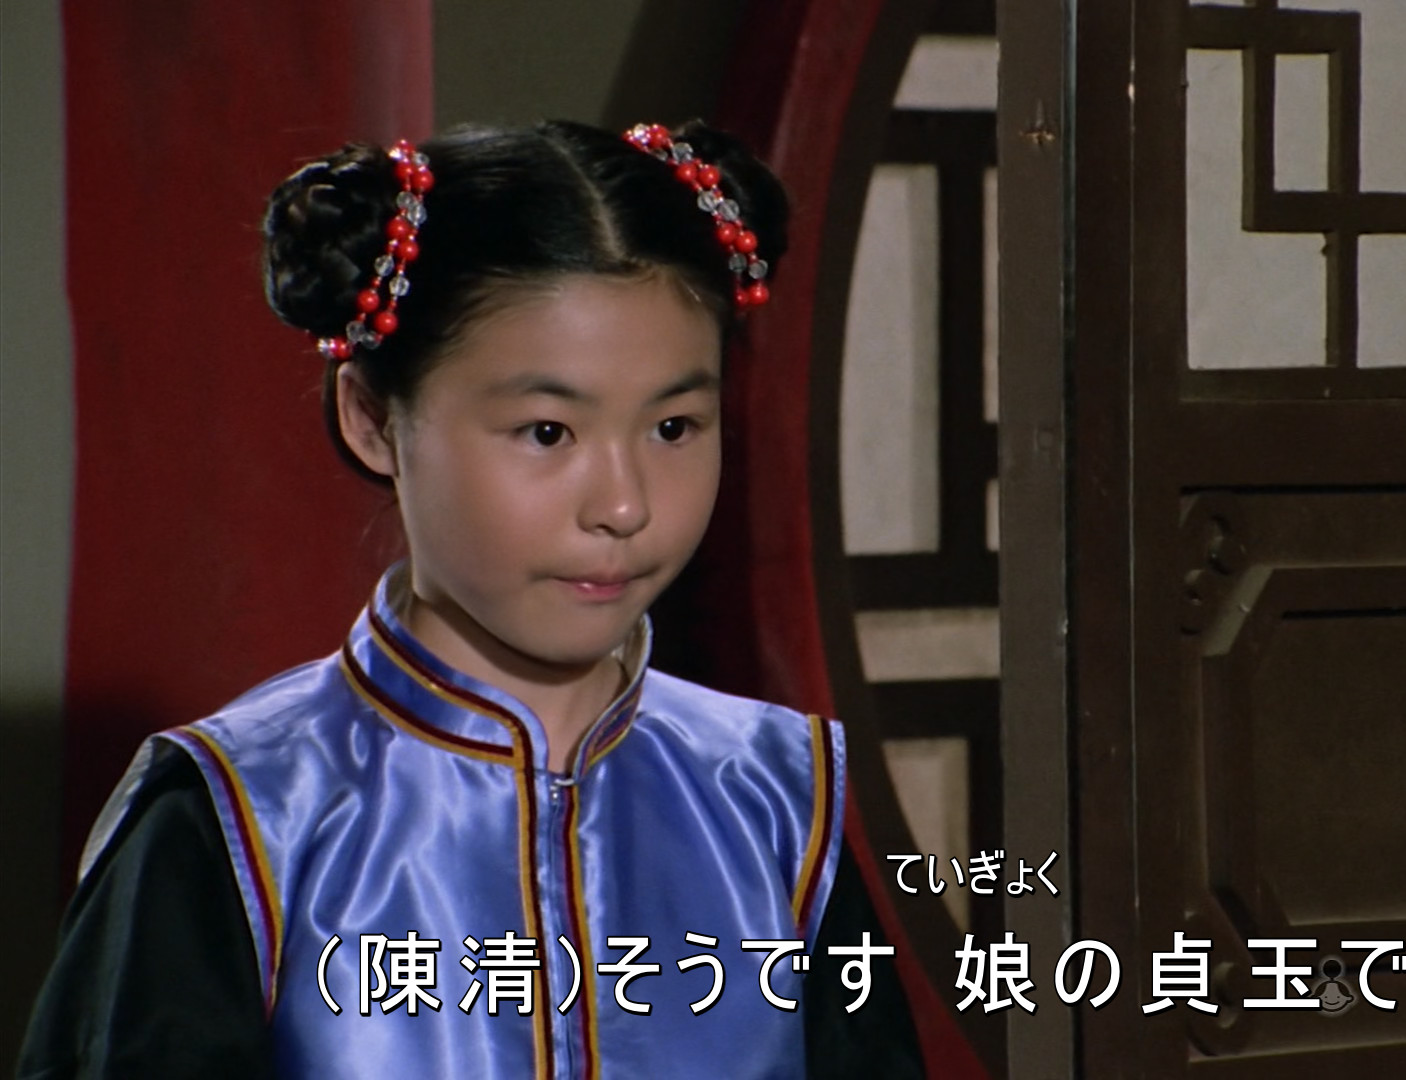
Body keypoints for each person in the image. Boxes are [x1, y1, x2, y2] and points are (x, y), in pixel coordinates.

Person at [19, 120, 922, 1079]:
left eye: (673, 426)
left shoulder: (778, 802)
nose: (624, 505)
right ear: (373, 418)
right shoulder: (245, 819)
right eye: (547, 432)